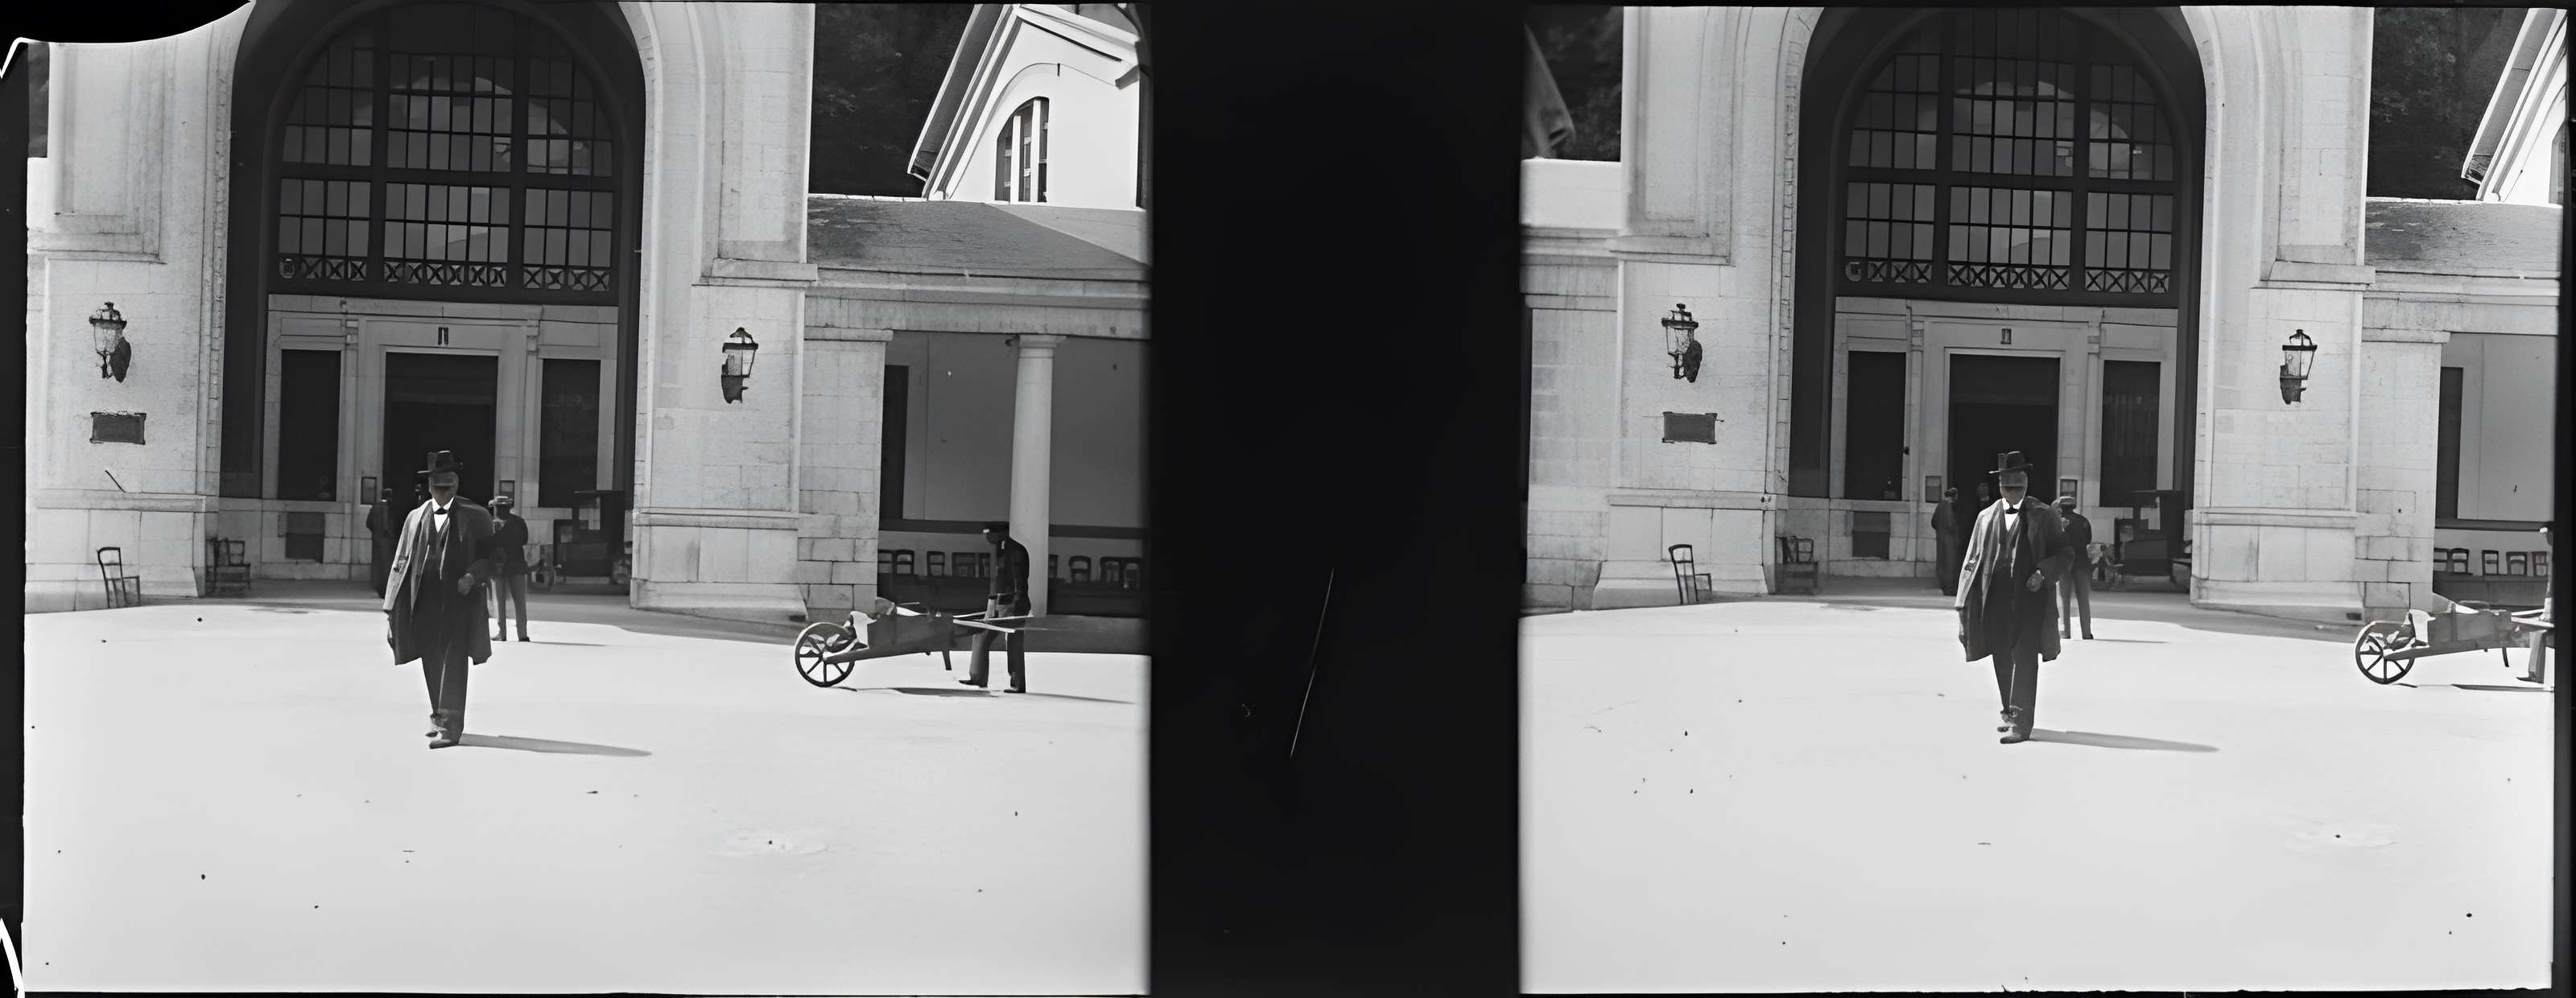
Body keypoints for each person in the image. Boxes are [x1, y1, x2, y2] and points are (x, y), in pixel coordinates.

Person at [1955, 452, 2074, 744]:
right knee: (2001, 657)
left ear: (2026, 483)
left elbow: (2065, 554)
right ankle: (2010, 713)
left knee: (2024, 658)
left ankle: (2022, 724)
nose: (2013, 492)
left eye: (2018, 486)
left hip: (2029, 601)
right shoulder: (1985, 517)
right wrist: (1963, 600)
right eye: (2007, 486)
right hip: (1994, 599)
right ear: (1999, 486)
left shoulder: (2044, 515)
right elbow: (1973, 559)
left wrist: (2043, 573)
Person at [384, 452, 498, 748]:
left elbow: (492, 557)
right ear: (429, 485)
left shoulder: (477, 516)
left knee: (453, 660)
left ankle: (451, 727)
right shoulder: (415, 517)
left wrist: (472, 576)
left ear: (457, 483)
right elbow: (401, 562)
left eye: (449, 485)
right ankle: (438, 716)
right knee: (431, 659)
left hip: (459, 602)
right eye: (438, 486)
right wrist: (391, 608)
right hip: (423, 601)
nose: (443, 492)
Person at [961, 522, 1034, 692]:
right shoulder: (1001, 547)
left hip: (1013, 602)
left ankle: (1018, 684)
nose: (987, 537)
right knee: (981, 635)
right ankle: (978, 677)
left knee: (1014, 643)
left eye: (990, 533)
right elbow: (998, 578)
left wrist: (1016, 602)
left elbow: (1019, 579)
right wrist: (991, 601)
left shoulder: (1016, 550)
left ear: (1002, 533)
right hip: (998, 601)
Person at [487, 496, 532, 643]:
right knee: (520, 601)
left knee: (499, 601)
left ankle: (502, 633)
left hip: (498, 566)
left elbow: (488, 543)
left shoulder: (491, 523)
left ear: (496, 508)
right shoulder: (519, 522)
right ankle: (522, 634)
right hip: (517, 564)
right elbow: (525, 540)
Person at [2055, 495, 2096, 641]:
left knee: (2064, 598)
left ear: (2061, 507)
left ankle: (2065, 632)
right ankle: (2086, 633)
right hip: (2082, 561)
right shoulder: (2084, 521)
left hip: (2064, 562)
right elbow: (2088, 540)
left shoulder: (2057, 522)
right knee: (2083, 598)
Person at [365, 488, 400, 596]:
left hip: (377, 540)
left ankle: (379, 587)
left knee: (378, 565)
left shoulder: (375, 507)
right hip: (388, 541)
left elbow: (369, 523)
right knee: (387, 565)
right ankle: (386, 587)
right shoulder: (391, 507)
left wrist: (376, 532)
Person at [1931, 487, 1965, 596]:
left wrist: (1940, 531)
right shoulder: (1949, 507)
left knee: (1942, 563)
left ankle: (1944, 586)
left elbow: (1933, 522)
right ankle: (1949, 588)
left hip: (1941, 540)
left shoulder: (1940, 506)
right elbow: (1951, 525)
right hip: (1950, 541)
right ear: (1954, 496)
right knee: (1950, 564)